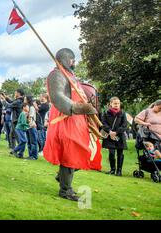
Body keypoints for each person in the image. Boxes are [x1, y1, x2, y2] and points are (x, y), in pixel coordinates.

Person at [43, 48, 101, 201]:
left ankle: (62, 176)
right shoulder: (57, 74)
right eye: (73, 59)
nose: (74, 63)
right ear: (66, 59)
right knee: (71, 153)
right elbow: (58, 97)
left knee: (87, 151)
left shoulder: (71, 76)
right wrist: (78, 107)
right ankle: (66, 190)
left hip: (77, 121)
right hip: (65, 120)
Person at [101, 97, 128, 176]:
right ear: (110, 104)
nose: (117, 105)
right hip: (109, 136)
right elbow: (103, 123)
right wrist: (110, 131)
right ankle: (112, 169)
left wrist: (116, 132)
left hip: (119, 136)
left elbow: (124, 125)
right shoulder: (105, 113)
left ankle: (119, 171)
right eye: (115, 103)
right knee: (111, 153)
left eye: (118, 103)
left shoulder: (122, 113)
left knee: (120, 153)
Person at [25, 95, 38, 160]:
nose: (24, 100)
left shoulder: (32, 107)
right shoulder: (28, 107)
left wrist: (27, 117)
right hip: (28, 126)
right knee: (29, 142)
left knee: (33, 142)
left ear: (28, 100)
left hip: (31, 126)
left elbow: (31, 117)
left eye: (25, 99)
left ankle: (34, 156)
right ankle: (30, 155)